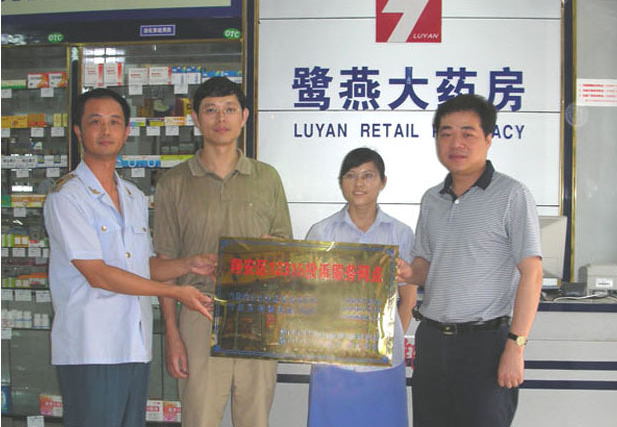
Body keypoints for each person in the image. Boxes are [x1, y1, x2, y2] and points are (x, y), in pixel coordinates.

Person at [44, 88, 215, 427]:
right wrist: (174, 291)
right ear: (78, 131)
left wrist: (187, 264)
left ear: (126, 132)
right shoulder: (67, 197)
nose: (105, 130)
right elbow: (97, 274)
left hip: (134, 344)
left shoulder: (133, 196)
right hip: (91, 347)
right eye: (95, 122)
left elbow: (142, 266)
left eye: (114, 122)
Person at [153, 77, 293, 427]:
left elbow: (287, 254)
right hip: (198, 314)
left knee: (254, 418)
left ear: (243, 116)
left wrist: (268, 250)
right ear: (196, 118)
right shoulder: (174, 183)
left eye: (229, 109)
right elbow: (163, 264)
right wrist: (173, 335)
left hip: (257, 315)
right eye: (211, 110)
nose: (221, 118)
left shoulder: (267, 178)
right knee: (199, 418)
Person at [397, 94, 543, 427]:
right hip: (432, 342)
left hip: (485, 345)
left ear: (489, 139)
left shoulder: (512, 195)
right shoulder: (432, 199)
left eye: (467, 133)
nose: (456, 143)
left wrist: (516, 346)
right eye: (446, 133)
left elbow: (532, 273)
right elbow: (425, 266)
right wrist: (407, 272)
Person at [305, 147, 417, 427]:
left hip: (384, 364)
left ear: (383, 182)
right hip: (333, 363)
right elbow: (307, 298)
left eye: (368, 176)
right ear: (341, 182)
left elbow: (409, 298)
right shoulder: (322, 232)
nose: (359, 183)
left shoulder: (400, 233)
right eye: (351, 175)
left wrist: (388, 340)